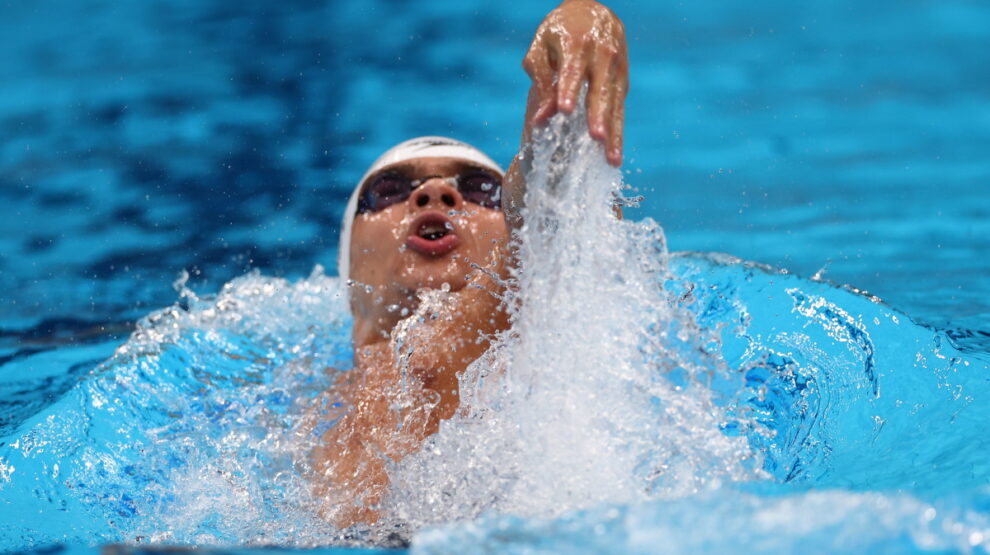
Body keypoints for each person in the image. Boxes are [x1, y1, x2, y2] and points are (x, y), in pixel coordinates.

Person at [312, 0, 629, 528]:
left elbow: (550, 211)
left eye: (480, 190)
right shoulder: (290, 400)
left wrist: (579, 25)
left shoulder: (480, 348)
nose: (436, 192)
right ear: (348, 272)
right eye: (390, 190)